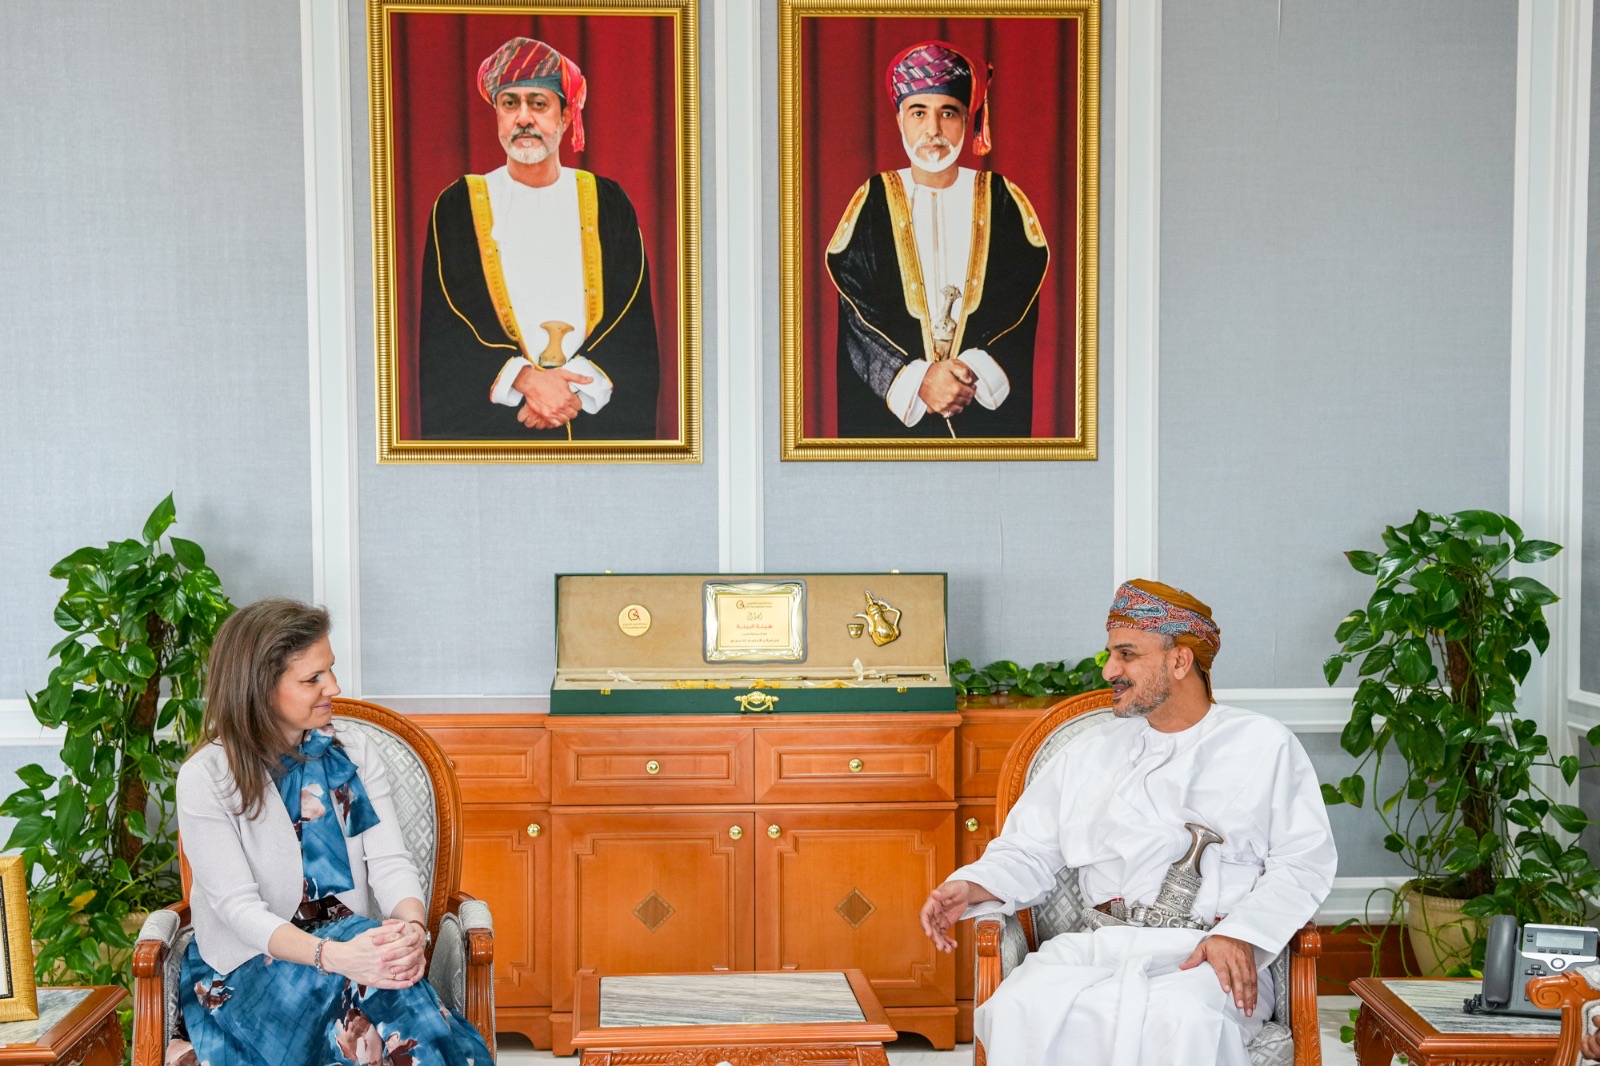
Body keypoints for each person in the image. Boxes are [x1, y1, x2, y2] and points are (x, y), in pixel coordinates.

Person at [918, 580, 1338, 1066]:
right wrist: (971, 885)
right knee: (1019, 1006)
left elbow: (1302, 863)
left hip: (1204, 956)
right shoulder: (1089, 751)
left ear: (1179, 661)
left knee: (1181, 1021)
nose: (1109, 670)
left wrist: (1241, 934)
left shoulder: (1264, 745)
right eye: (1111, 654)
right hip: (1100, 947)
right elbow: (1028, 848)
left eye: (1126, 654)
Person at [170, 599, 491, 1065]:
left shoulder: (353, 752)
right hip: (251, 966)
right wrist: (339, 956)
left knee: (383, 978)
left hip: (355, 951)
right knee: (386, 996)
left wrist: (410, 931)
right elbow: (239, 911)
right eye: (312, 678)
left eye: (331, 670)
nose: (334, 687)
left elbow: (390, 862)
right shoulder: (207, 777)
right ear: (259, 688)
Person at [419, 36, 660, 441]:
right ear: (497, 114)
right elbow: (447, 325)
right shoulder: (459, 205)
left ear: (565, 117)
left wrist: (571, 391)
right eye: (509, 103)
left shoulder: (608, 202)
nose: (523, 118)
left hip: (590, 413)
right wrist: (524, 380)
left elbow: (630, 317)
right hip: (496, 423)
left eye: (538, 103)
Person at [826, 40, 1050, 439]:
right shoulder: (872, 200)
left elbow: (1020, 301)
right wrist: (918, 381)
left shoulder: (1002, 199)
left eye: (948, 113)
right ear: (900, 120)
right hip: (892, 418)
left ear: (967, 120)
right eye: (919, 112)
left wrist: (970, 372)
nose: (933, 129)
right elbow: (857, 313)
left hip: (981, 405)